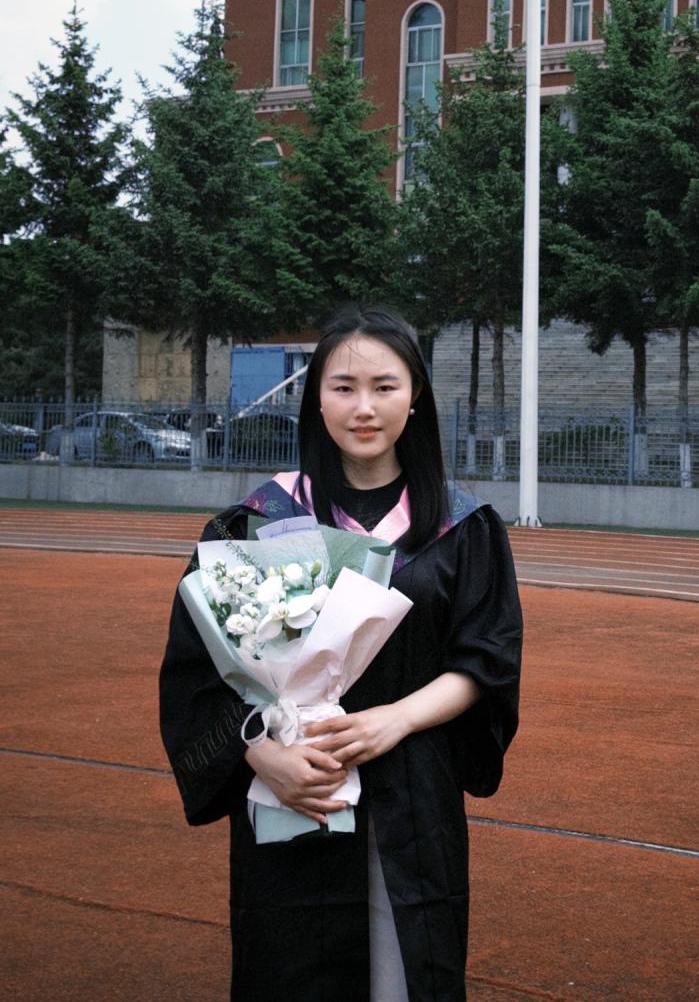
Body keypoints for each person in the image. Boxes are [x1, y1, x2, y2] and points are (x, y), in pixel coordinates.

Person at [159, 303, 523, 1002]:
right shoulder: (257, 523)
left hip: (412, 790)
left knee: (406, 971)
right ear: (316, 398)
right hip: (295, 788)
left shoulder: (461, 527)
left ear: (415, 397)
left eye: (384, 386)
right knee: (291, 968)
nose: (364, 407)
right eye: (343, 387)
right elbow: (197, 671)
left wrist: (395, 720)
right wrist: (261, 755)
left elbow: (487, 661)